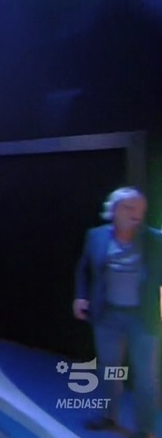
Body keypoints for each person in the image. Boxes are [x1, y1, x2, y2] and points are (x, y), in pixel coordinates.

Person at [73, 187, 160, 438]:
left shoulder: (155, 240)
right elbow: (84, 269)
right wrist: (81, 296)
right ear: (114, 210)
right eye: (129, 208)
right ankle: (108, 416)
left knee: (146, 376)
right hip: (107, 315)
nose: (136, 215)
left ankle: (146, 429)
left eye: (140, 210)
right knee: (109, 370)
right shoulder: (96, 236)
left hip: (142, 318)